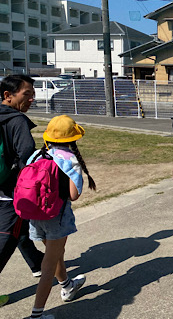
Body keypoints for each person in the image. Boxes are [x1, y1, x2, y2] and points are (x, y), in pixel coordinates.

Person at [27, 115, 96, 319]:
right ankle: (37, 315)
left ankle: (67, 285)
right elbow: (74, 195)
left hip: (34, 215)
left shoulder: (36, 154)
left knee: (56, 253)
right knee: (48, 266)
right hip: (56, 217)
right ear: (72, 138)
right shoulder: (70, 159)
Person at [0, 75, 45, 308]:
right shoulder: (16, 120)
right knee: (6, 241)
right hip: (8, 195)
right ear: (8, 95)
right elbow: (27, 153)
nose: (31, 99)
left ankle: (38, 263)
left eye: (32, 94)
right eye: (27, 94)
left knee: (22, 232)